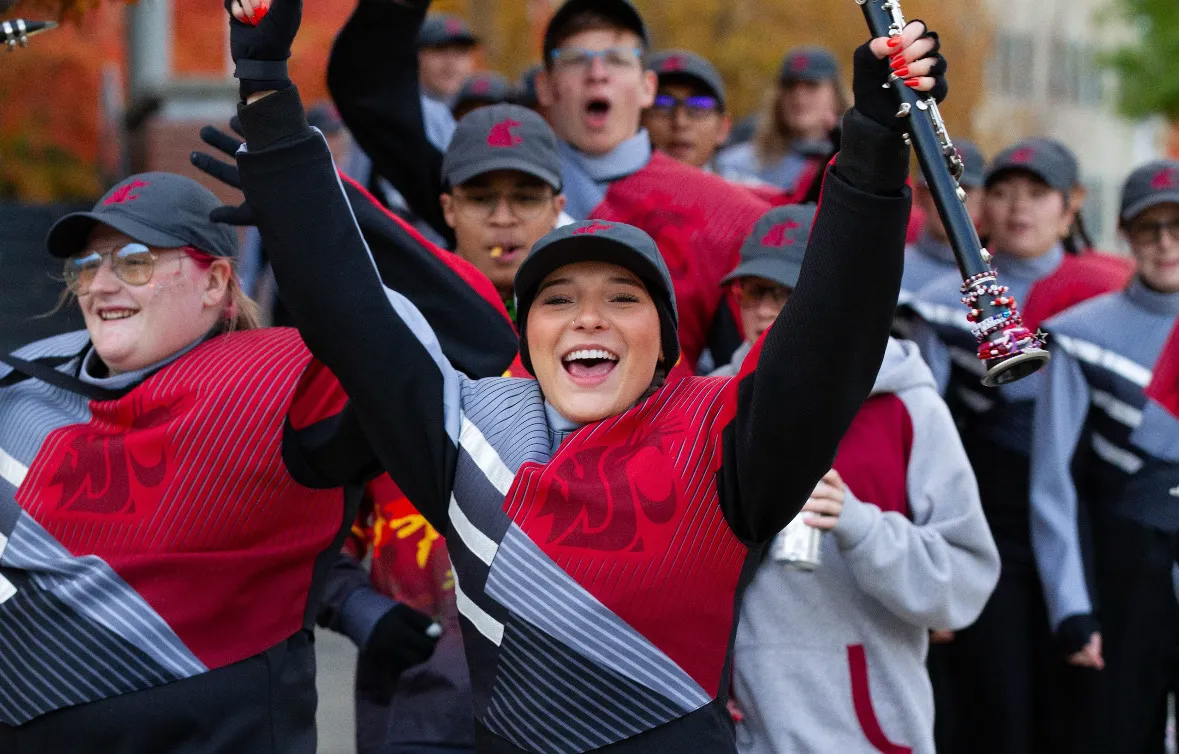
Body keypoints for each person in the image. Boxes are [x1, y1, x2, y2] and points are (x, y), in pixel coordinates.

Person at [227, 0, 948, 749]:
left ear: (665, 346)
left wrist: (874, 139)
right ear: (528, 334)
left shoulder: (724, 442)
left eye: (623, 299)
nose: (588, 319)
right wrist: (265, 84)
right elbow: (347, 306)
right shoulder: (468, 433)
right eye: (559, 300)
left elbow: (833, 329)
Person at [0, 165, 514, 751]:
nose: (101, 285)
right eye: (89, 266)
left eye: (135, 262)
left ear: (216, 281)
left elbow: (479, 339)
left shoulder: (280, 379)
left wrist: (327, 204)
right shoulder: (25, 377)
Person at [327, 0, 778, 372]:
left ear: (646, 86)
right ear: (545, 85)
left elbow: (747, 368)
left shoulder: (733, 215)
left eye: (617, 59)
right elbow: (370, 95)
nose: (597, 74)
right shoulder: (481, 174)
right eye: (575, 59)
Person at [714, 206, 998, 754]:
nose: (767, 311)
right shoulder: (709, 406)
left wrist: (861, 527)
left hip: (865, 735)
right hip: (737, 734)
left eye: (788, 293)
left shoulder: (908, 408)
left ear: (837, 297)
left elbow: (963, 586)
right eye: (755, 292)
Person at [906, 138, 1133, 754]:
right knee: (994, 706)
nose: (1017, 207)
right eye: (1003, 192)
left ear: (1072, 205)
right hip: (988, 524)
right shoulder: (941, 305)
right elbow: (922, 436)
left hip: (1088, 530)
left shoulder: (1107, 298)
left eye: (1036, 193)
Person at [1030, 159, 1179, 754]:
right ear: (1124, 234)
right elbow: (1052, 483)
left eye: (1178, 226)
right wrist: (1071, 606)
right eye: (1150, 227)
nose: (1166, 243)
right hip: (1121, 581)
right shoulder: (1079, 335)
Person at [716, 46, 845, 199]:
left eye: (812, 85)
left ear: (836, 95)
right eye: (789, 86)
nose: (799, 96)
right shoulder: (737, 166)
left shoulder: (856, 165)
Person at [641, 50, 731, 171]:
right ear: (637, 119)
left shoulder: (742, 184)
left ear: (723, 128)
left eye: (699, 106)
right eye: (662, 104)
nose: (680, 122)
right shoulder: (614, 183)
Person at [417, 13, 479, 106]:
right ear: (416, 56)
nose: (451, 63)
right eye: (440, 50)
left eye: (461, 51)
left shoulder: (485, 105)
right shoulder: (398, 107)